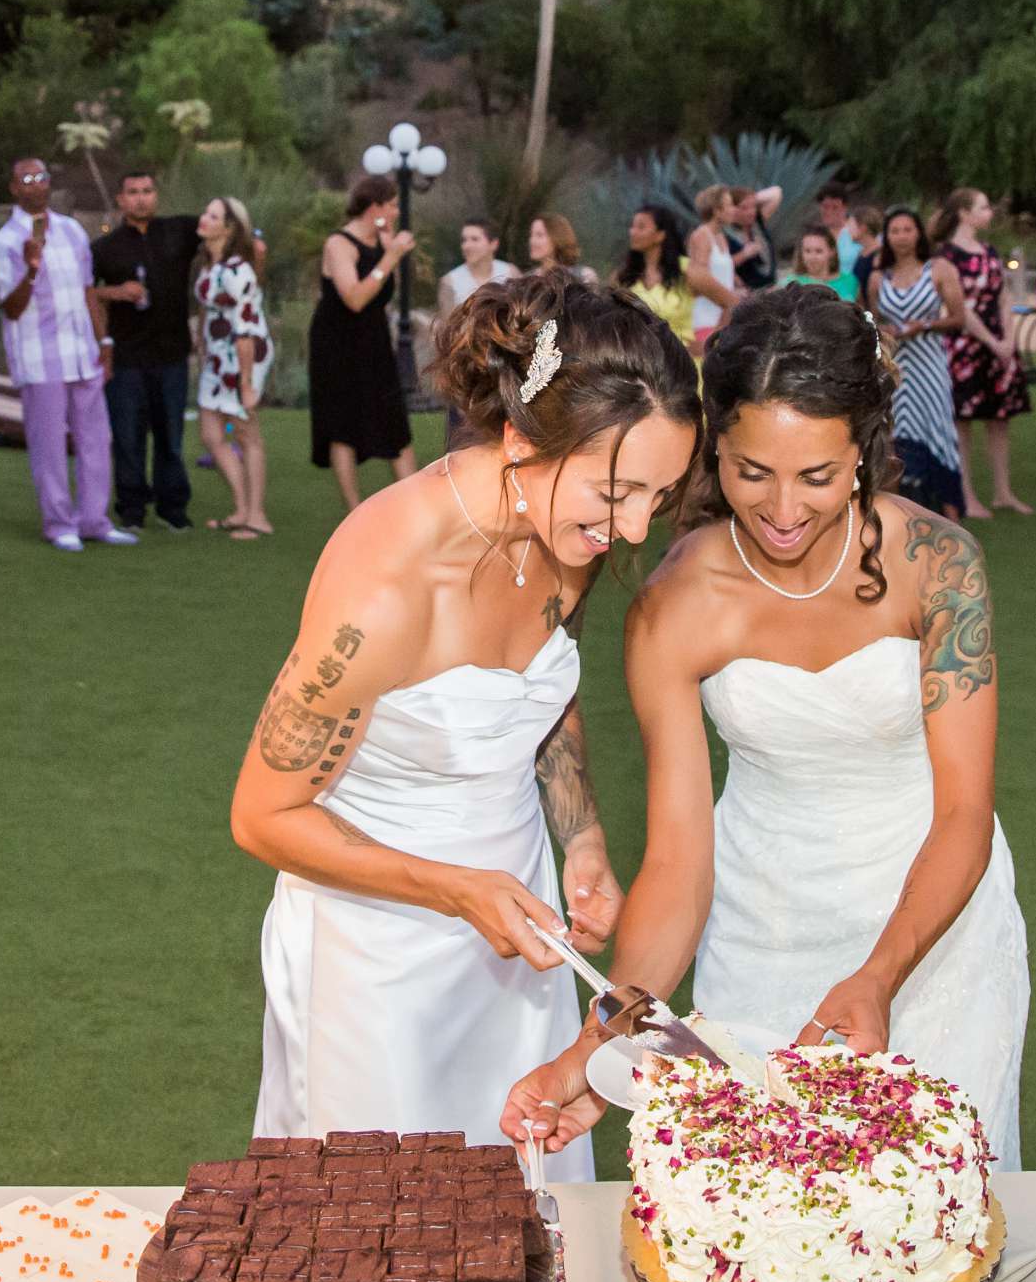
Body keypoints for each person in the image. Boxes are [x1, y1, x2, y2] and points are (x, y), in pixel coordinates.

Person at [500, 285, 1031, 1165]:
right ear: (716, 451)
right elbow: (676, 863)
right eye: (753, 472)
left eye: (817, 476)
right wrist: (600, 1048)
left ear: (861, 449)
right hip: (765, 930)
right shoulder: (675, 605)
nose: (783, 509)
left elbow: (963, 814)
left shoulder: (937, 565)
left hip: (934, 930)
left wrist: (877, 976)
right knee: (770, 1223)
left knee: (930, 1213)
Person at [230, 270, 701, 1177]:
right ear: (524, 440)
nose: (635, 528)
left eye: (658, 493)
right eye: (617, 493)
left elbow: (541, 679)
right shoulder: (387, 583)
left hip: (516, 929)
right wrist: (455, 889)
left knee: (518, 1210)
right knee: (387, 1231)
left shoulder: (564, 531)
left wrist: (583, 833)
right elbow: (262, 816)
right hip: (378, 958)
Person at [0, 157, 129, 553]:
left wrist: (104, 343)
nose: (36, 184)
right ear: (14, 189)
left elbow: (89, 292)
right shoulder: (6, 241)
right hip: (40, 357)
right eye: (27, 179)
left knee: (96, 439)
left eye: (42, 177)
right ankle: (58, 523)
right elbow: (11, 307)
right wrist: (31, 269)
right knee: (49, 444)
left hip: (82, 350)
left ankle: (94, 520)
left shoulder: (71, 231)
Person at [90, 170, 202, 532]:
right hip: (126, 359)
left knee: (171, 438)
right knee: (128, 438)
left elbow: (224, 230)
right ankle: (132, 509)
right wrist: (116, 292)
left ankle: (172, 509)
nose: (141, 198)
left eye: (147, 191)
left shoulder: (180, 232)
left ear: (156, 195)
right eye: (133, 192)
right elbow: (84, 291)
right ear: (121, 200)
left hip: (171, 355)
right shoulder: (105, 248)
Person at [311, 175, 419, 511]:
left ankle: (417, 505)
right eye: (392, 204)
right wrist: (391, 257)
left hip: (372, 341)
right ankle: (354, 511)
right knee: (343, 423)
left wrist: (389, 253)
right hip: (338, 344)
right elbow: (355, 298)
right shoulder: (339, 244)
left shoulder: (381, 241)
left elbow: (383, 294)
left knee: (393, 419)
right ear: (375, 207)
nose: (397, 211)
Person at [862, 205, 974, 517]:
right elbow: (874, 321)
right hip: (897, 368)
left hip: (930, 365)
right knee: (898, 434)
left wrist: (923, 325)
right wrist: (885, 331)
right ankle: (906, 512)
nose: (901, 237)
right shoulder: (876, 277)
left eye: (907, 230)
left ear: (918, 233)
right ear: (887, 236)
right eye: (894, 231)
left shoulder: (939, 269)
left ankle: (950, 513)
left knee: (937, 430)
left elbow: (958, 317)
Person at [933, 188, 1029, 517]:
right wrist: (992, 341)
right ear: (963, 213)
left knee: (1000, 419)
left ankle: (1004, 492)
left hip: (997, 345)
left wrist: (1009, 341)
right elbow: (960, 307)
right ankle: (966, 495)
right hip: (965, 344)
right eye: (983, 207)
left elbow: (1002, 296)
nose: (989, 212)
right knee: (963, 422)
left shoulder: (989, 251)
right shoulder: (946, 257)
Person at [197, 197, 273, 539]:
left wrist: (246, 383)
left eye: (212, 216)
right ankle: (241, 508)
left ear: (228, 228)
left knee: (246, 434)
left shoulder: (237, 270)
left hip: (242, 355)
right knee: (212, 435)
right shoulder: (210, 265)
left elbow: (245, 326)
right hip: (217, 357)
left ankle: (257, 516)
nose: (204, 219)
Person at [613, 204, 691, 343]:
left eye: (641, 227)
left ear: (660, 235)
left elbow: (729, 302)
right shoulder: (623, 275)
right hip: (640, 358)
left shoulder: (685, 269)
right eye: (632, 226)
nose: (632, 232)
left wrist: (710, 341)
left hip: (681, 359)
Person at [685, 186, 741, 351]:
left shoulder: (721, 237)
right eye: (730, 205)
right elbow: (698, 281)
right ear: (716, 210)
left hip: (725, 317)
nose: (734, 210)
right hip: (706, 320)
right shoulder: (701, 236)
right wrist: (730, 299)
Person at [439, 218, 519, 319]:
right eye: (464, 240)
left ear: (494, 244)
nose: (466, 246)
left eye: (475, 239)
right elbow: (447, 326)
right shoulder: (449, 282)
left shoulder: (510, 272)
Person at [725, 184, 782, 292]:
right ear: (732, 209)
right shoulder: (725, 234)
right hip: (747, 294)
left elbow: (776, 192)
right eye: (744, 208)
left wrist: (750, 198)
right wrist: (744, 255)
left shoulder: (757, 221)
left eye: (753, 206)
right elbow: (719, 266)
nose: (751, 212)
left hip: (771, 287)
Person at [782, 224, 857, 301]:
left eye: (819, 251)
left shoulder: (850, 280)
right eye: (807, 251)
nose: (812, 257)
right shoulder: (792, 284)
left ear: (832, 252)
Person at [525, 213, 592, 282]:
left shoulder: (583, 276)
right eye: (531, 235)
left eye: (539, 235)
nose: (532, 241)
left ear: (557, 237)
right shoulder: (528, 279)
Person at [814, 182, 861, 278]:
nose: (829, 211)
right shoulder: (816, 234)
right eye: (825, 207)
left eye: (835, 207)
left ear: (845, 207)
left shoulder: (858, 230)